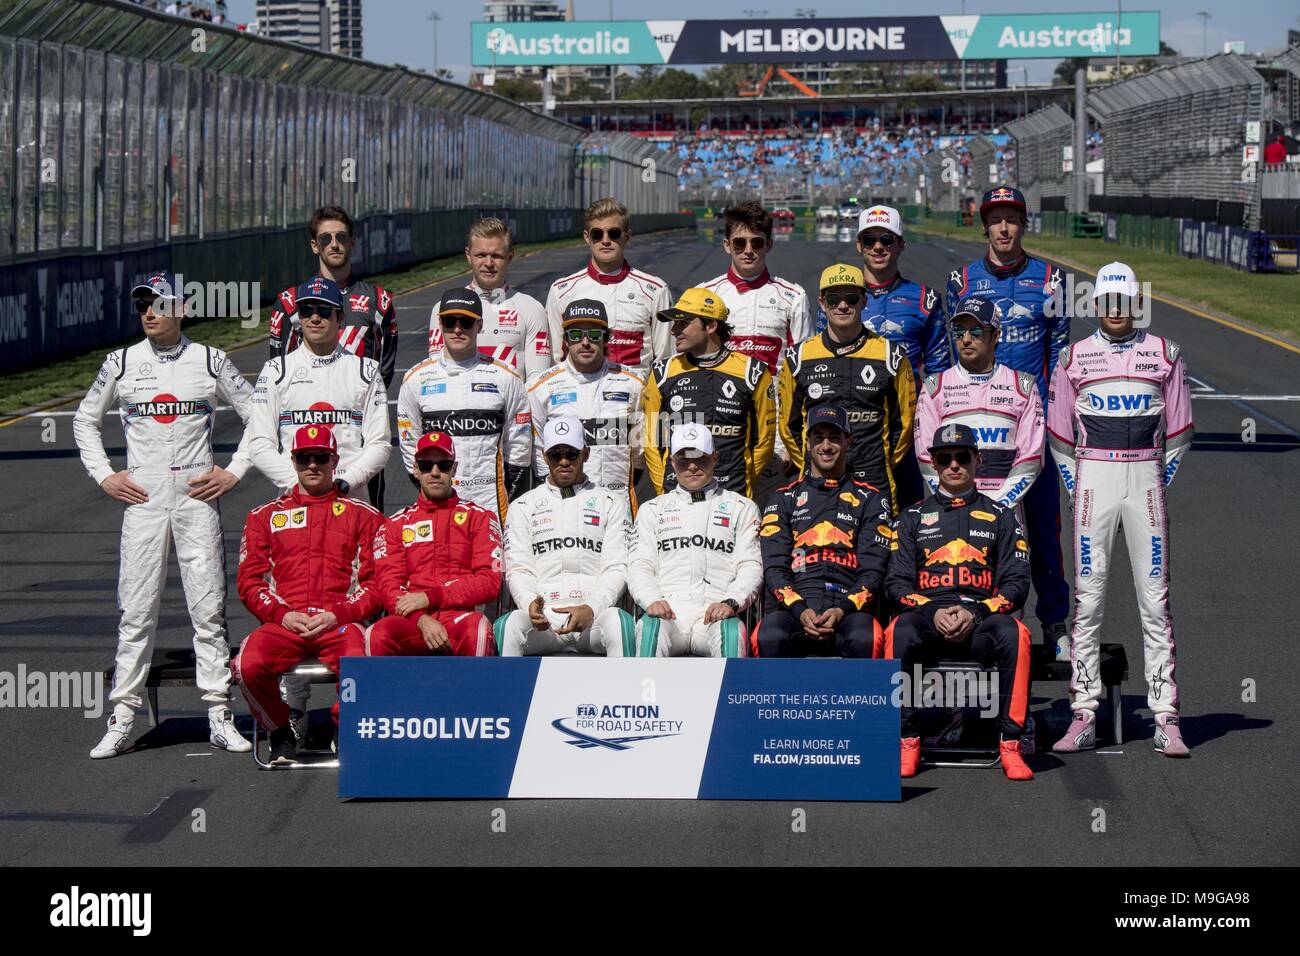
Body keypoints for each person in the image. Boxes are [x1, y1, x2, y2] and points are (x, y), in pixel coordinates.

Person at [73, 270, 253, 759]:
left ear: (183, 308)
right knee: (136, 610)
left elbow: (259, 413)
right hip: (144, 499)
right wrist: (105, 476)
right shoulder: (121, 362)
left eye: (159, 302)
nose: (149, 311)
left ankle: (219, 713)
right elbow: (84, 420)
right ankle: (122, 716)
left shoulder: (211, 360)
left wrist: (234, 471)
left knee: (208, 609)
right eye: (142, 304)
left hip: (197, 497)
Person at [1047, 262, 1193, 757]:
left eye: (1123, 300)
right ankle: (1084, 711)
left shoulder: (1165, 355)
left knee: (1155, 601)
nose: (1115, 310)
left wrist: (1155, 479)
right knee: (1088, 603)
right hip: (1094, 480)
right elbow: (1060, 435)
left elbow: (1179, 431)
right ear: (1095, 304)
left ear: (1136, 303)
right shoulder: (1073, 358)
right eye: (1106, 301)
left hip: (1145, 480)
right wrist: (1077, 482)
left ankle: (1166, 715)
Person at [930, 185, 1072, 652]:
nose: (1004, 228)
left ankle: (1054, 622)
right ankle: (990, 618)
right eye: (996, 219)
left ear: (1023, 223)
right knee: (975, 525)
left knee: (1044, 526)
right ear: (985, 226)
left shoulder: (1052, 279)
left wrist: (1055, 420)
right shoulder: (961, 280)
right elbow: (958, 350)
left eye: (1012, 218)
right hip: (980, 427)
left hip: (1034, 425)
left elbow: (1062, 356)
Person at [885, 423, 1034, 782]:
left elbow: (1017, 583)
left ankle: (1010, 744)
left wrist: (976, 611)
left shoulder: (1002, 515)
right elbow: (896, 583)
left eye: (962, 457)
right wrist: (933, 611)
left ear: (977, 461)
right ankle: (905, 738)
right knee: (897, 631)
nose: (954, 465)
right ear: (933, 464)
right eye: (945, 458)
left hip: (981, 620)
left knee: (1017, 634)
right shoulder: (910, 518)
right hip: (927, 617)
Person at [233, 425, 382, 765]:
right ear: (293, 461)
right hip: (286, 622)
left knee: (365, 662)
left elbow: (377, 585)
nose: (312, 465)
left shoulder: (364, 516)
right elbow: (250, 583)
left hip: (339, 624)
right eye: (304, 458)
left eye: (320, 458)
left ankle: (343, 727)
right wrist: (282, 615)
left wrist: (339, 614)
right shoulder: (263, 517)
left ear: (335, 460)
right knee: (246, 665)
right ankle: (280, 729)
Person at [266, 205, 398, 509]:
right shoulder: (288, 304)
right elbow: (276, 369)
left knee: (365, 525)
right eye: (325, 239)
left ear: (353, 242)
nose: (334, 244)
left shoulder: (380, 301)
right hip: (305, 441)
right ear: (315, 245)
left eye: (341, 237)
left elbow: (385, 368)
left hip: (358, 441)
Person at [915, 296, 1047, 599]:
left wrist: (998, 505)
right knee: (950, 595)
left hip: (1006, 509)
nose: (965, 339)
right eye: (959, 331)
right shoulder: (935, 387)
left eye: (976, 332)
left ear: (995, 336)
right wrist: (961, 502)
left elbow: (1031, 458)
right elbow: (926, 457)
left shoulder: (1022, 386)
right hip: (950, 510)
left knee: (1007, 600)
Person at [778, 263, 915, 511]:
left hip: (874, 479)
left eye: (851, 298)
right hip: (815, 480)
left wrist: (880, 460)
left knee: (876, 549)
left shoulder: (891, 355)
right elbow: (788, 426)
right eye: (833, 299)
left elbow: (904, 425)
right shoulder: (798, 358)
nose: (842, 306)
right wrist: (814, 462)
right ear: (822, 303)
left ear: (864, 301)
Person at [758, 405, 892, 658]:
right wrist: (799, 609)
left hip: (849, 609)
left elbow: (873, 570)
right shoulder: (783, 497)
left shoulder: (872, 500)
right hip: (795, 608)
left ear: (849, 441)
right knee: (769, 635)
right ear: (807, 443)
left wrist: (842, 609)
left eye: (834, 438)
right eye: (818, 438)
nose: (826, 446)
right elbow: (774, 568)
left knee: (867, 637)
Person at [498, 417, 635, 656]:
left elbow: (617, 567)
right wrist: (531, 603)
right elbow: (519, 569)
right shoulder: (522, 506)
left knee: (618, 622)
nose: (563, 461)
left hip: (594, 617)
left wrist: (591, 608)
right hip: (545, 620)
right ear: (544, 457)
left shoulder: (612, 503)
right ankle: (512, 695)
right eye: (555, 455)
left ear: (586, 453)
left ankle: (623, 693)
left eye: (571, 454)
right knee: (510, 625)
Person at [249, 276, 390, 500]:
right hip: (294, 499)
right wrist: (297, 484)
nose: (314, 318)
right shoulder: (275, 370)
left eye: (324, 311)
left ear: (340, 318)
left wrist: (345, 482)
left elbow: (379, 444)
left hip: (349, 496)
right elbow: (259, 443)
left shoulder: (366, 371)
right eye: (306, 310)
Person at [397, 288, 531, 524]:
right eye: (450, 321)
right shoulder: (416, 379)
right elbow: (410, 445)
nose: (457, 329)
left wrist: (508, 497)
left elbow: (519, 446)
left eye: (466, 322)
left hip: (491, 503)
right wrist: (432, 489)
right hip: (438, 502)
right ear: (440, 324)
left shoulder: (506, 377)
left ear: (479, 326)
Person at [628, 424, 763, 657]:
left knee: (732, 634)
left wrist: (731, 602)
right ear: (671, 462)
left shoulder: (742, 507)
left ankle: (728, 695)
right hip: (668, 612)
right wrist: (652, 600)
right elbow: (639, 566)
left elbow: (751, 566)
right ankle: (646, 695)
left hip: (716, 612)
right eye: (683, 459)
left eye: (700, 458)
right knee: (649, 629)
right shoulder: (652, 509)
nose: (691, 466)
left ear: (714, 457)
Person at [366, 431, 503, 658]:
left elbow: (489, 581)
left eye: (444, 465)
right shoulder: (395, 524)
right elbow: (388, 587)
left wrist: (431, 597)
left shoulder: (480, 517)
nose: (435, 472)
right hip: (413, 620)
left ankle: (474, 695)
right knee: (376, 634)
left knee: (477, 630)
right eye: (427, 465)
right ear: (416, 469)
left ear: (454, 469)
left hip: (460, 618)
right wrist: (420, 619)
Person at [642, 288, 775, 499]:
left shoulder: (753, 371)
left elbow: (764, 442)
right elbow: (652, 441)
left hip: (733, 493)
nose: (673, 330)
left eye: (683, 323)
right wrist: (663, 489)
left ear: (711, 325)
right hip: (675, 494)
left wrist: (742, 478)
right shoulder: (662, 372)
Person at [526, 299, 645, 502]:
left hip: (619, 499)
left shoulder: (633, 382)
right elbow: (538, 451)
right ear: (565, 340)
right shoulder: (540, 387)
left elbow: (641, 450)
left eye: (594, 335)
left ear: (606, 339)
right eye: (576, 335)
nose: (585, 342)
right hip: (564, 499)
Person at [544, 197, 673, 376]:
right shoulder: (561, 291)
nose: (605, 240)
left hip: (637, 398)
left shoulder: (656, 290)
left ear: (627, 237)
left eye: (614, 233)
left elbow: (666, 359)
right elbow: (554, 359)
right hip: (579, 399)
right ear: (586, 237)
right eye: (597, 234)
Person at [698, 200, 812, 376]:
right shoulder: (705, 294)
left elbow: (803, 362)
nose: (748, 250)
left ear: (769, 245)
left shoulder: (794, 297)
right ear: (727, 246)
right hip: (721, 399)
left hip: (775, 400)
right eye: (739, 243)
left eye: (757, 242)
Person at [429, 217, 552, 378]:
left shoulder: (531, 309)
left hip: (513, 403)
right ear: (468, 255)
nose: (488, 263)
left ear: (510, 256)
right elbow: (436, 373)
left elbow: (538, 381)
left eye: (496, 255)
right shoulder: (443, 308)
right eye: (481, 255)